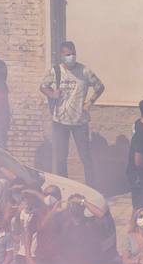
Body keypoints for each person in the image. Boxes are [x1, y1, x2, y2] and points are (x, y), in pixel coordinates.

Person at [40, 41, 104, 188]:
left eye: (73, 53)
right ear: (61, 55)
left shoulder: (85, 71)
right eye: (68, 54)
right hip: (60, 121)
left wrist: (90, 102)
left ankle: (91, 187)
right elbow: (43, 86)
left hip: (79, 122)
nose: (71, 57)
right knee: (61, 158)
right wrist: (52, 94)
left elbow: (100, 87)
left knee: (86, 157)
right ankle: (64, 187)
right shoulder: (55, 71)